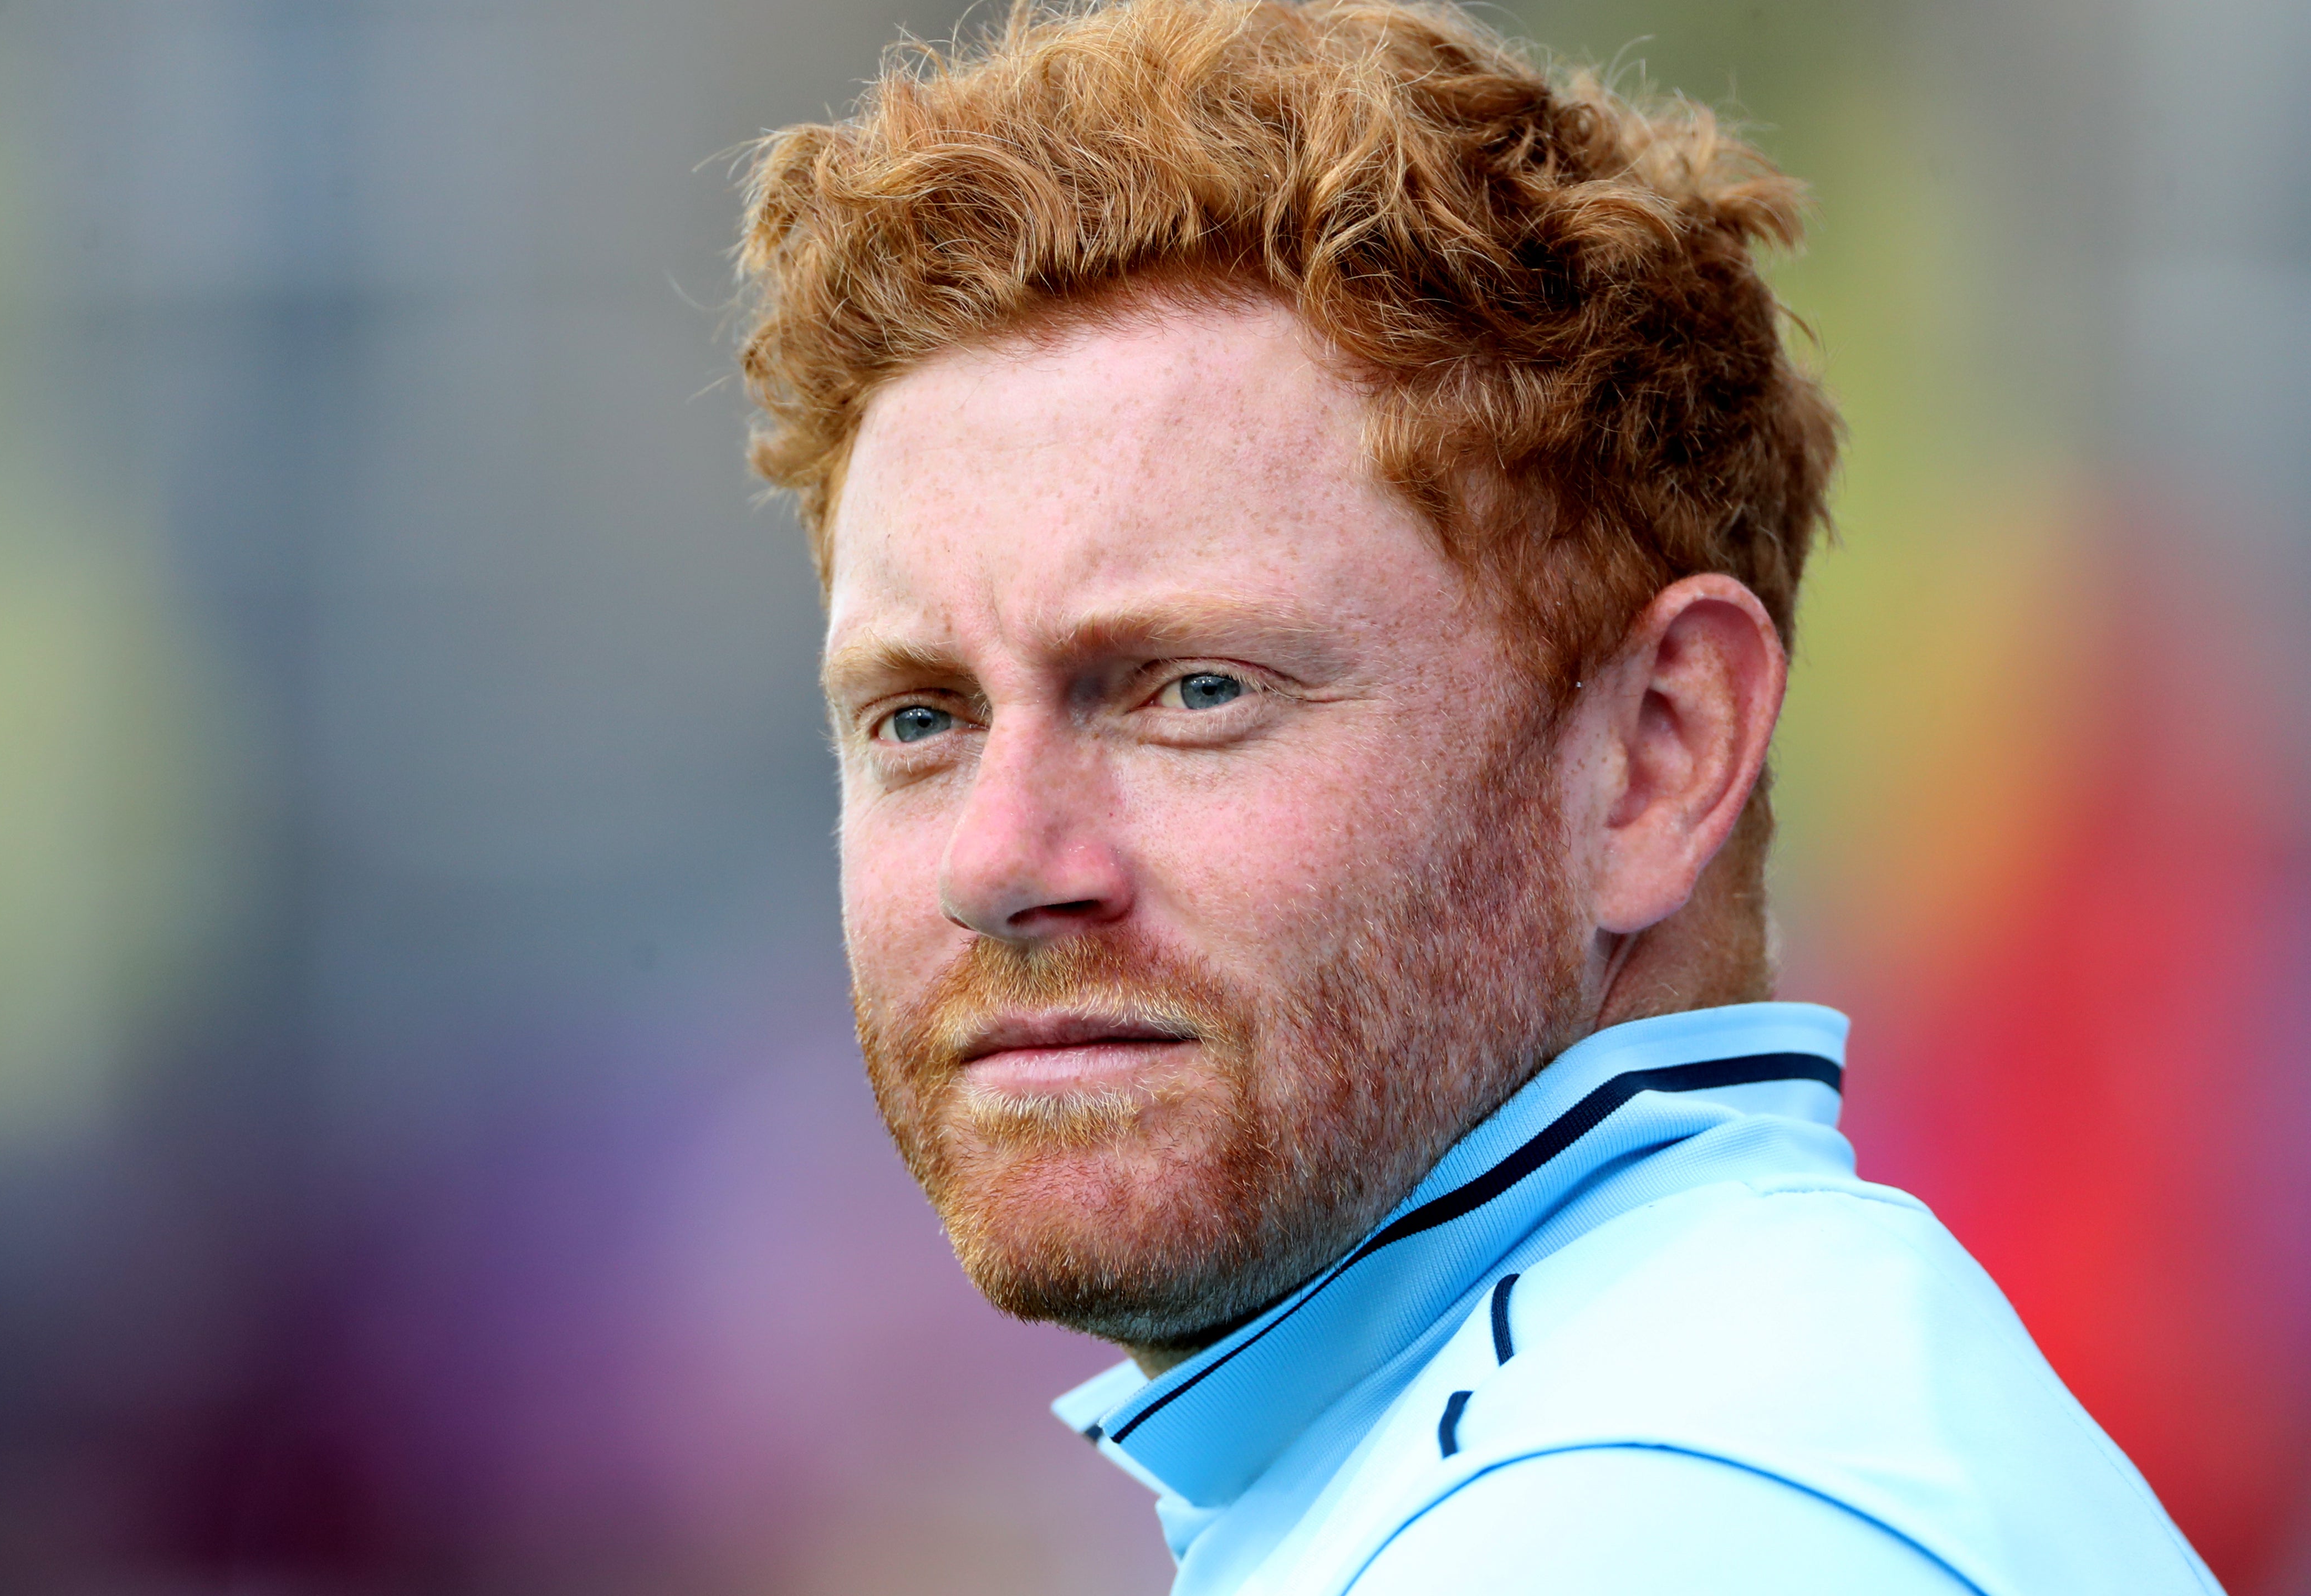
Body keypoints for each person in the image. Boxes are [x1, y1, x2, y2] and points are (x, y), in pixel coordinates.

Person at [734, 2, 2219, 1590]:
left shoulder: (1660, 1520)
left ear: (1660, 752)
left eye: (1198, 691)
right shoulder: (1625, 1433)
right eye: (918, 718)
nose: (999, 860)